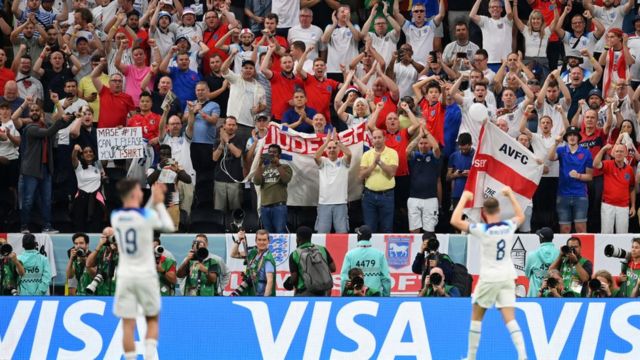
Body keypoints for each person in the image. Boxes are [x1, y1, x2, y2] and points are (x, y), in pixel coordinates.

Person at [450, 187, 527, 360]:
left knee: (476, 317)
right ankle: (523, 355)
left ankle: (471, 357)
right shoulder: (508, 226)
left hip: (490, 277)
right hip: (508, 276)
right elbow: (521, 216)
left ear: (484, 212)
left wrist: (464, 198)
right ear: (499, 211)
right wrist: (510, 195)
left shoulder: (483, 229)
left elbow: (455, 220)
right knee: (510, 318)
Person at [109, 179, 174, 360]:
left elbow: (141, 213)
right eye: (139, 190)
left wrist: (152, 199)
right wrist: (158, 202)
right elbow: (169, 226)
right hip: (145, 275)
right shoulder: (147, 216)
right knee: (152, 319)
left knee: (127, 324)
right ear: (133, 194)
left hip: (125, 276)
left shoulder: (115, 216)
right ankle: (148, 356)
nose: (141, 192)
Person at [548, 126, 593, 233]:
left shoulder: (586, 153)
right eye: (569, 135)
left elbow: (590, 176)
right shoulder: (561, 150)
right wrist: (555, 143)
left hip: (580, 194)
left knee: (580, 228)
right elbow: (550, 157)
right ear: (566, 138)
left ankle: (583, 250)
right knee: (564, 229)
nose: (572, 137)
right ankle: (565, 250)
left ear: (578, 138)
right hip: (563, 195)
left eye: (574, 135)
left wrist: (579, 176)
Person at [359, 128, 399, 233]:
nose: (377, 140)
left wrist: (380, 162)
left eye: (379, 137)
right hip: (369, 197)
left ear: (384, 138)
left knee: (387, 228)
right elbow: (361, 175)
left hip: (387, 196)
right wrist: (373, 164)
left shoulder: (392, 153)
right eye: (375, 138)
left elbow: (392, 173)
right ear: (372, 140)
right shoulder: (366, 154)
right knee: (369, 229)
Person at [313, 130, 351, 233]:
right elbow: (316, 156)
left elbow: (349, 154)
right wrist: (326, 142)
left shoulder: (343, 161)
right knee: (322, 234)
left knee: (342, 233)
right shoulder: (323, 161)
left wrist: (337, 142)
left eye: (334, 148)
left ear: (339, 150)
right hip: (324, 203)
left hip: (341, 203)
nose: (332, 150)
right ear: (325, 150)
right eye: (329, 148)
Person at [593, 143, 636, 234]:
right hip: (608, 204)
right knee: (606, 233)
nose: (619, 153)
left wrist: (633, 206)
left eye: (621, 151)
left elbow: (631, 188)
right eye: (617, 151)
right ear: (613, 153)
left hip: (624, 206)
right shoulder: (608, 164)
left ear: (625, 154)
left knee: (623, 234)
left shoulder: (629, 169)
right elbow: (595, 164)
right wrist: (603, 149)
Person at [147, 144, 192, 230]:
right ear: (158, 155)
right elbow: (149, 181)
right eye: (163, 154)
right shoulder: (153, 168)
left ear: (171, 155)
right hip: (158, 203)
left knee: (172, 229)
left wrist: (178, 170)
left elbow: (188, 180)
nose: (165, 157)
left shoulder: (176, 167)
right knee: (157, 231)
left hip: (173, 203)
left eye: (168, 154)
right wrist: (160, 168)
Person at [406, 126, 441, 233]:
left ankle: (428, 249)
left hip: (430, 198)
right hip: (414, 198)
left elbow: (436, 148)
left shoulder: (434, 156)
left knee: (429, 230)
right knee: (414, 229)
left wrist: (427, 133)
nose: (423, 145)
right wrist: (419, 136)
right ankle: (417, 249)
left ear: (429, 144)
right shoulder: (414, 156)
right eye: (421, 143)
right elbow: (407, 150)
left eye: (426, 143)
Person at [340, 225, 392, 296]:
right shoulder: (379, 254)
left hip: (355, 296)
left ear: (358, 236)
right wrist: (386, 297)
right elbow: (386, 278)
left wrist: (343, 295)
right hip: (375, 295)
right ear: (370, 237)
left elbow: (344, 279)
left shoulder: (350, 255)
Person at [252, 144, 292, 234]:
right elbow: (257, 182)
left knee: (280, 231)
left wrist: (278, 165)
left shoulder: (285, 167)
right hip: (265, 207)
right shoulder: (263, 168)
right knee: (267, 234)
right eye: (270, 152)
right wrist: (259, 165)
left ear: (279, 155)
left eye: (274, 152)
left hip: (279, 206)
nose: (271, 154)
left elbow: (285, 180)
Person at [287, 226, 336, 296]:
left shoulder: (295, 254)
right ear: (310, 237)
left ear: (298, 238)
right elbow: (333, 268)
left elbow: (294, 278)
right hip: (322, 291)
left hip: (304, 292)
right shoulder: (322, 249)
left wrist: (288, 282)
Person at [231, 229, 276, 296]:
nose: (262, 242)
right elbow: (233, 254)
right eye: (259, 240)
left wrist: (265, 301)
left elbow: (270, 282)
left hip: (260, 297)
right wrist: (238, 240)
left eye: (264, 240)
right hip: (250, 294)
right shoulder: (252, 252)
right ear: (256, 241)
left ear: (268, 241)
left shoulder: (268, 258)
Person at [524, 227, 560, 297]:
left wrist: (540, 276)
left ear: (541, 238)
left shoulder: (532, 255)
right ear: (552, 238)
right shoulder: (559, 254)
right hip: (554, 295)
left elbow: (527, 274)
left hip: (534, 295)